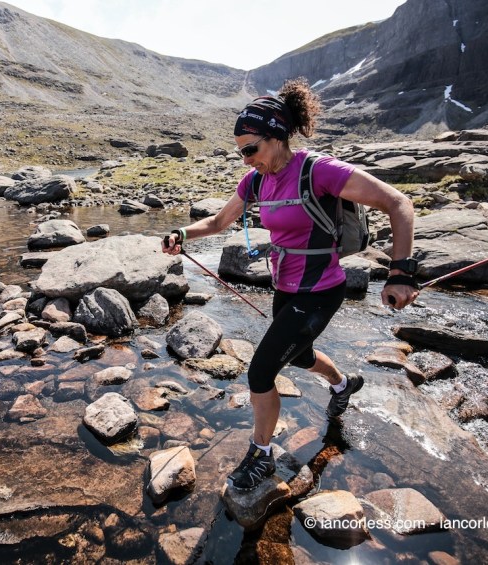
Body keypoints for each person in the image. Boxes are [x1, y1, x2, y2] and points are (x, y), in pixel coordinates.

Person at [161, 77, 420, 491]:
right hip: (285, 287)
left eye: (251, 149)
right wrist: (182, 234)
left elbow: (398, 202)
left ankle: (261, 455)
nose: (246, 159)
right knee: (299, 356)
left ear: (277, 136)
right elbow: (219, 221)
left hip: (321, 292)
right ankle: (343, 385)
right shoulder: (256, 181)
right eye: (241, 152)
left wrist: (401, 272)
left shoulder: (318, 170)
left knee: (261, 372)